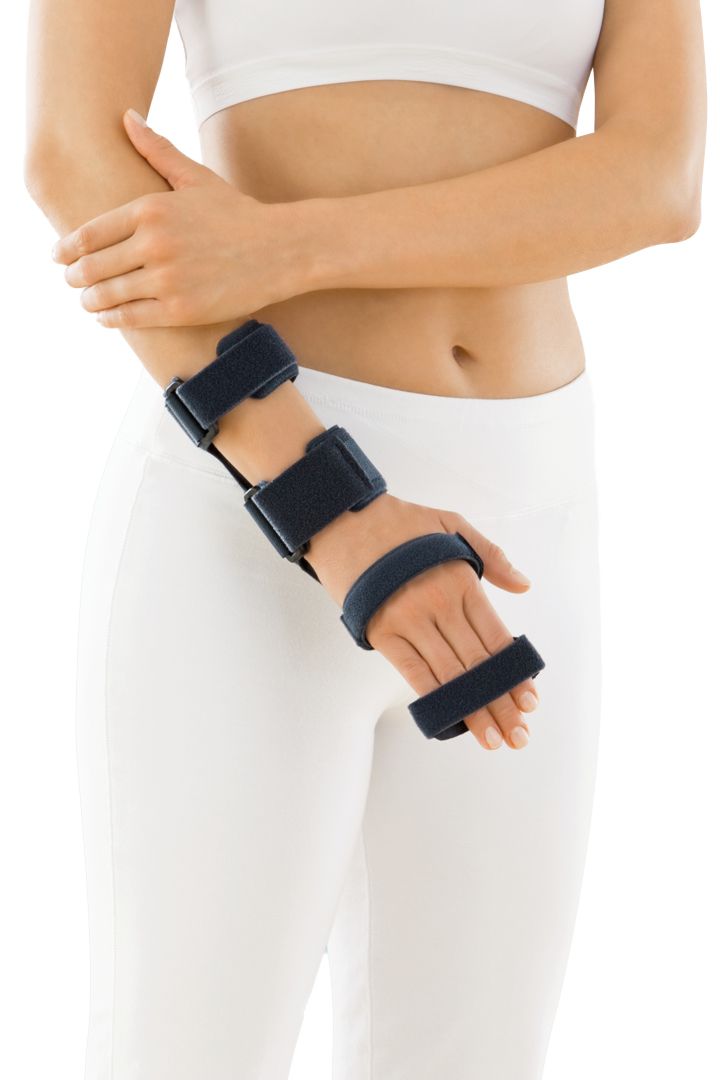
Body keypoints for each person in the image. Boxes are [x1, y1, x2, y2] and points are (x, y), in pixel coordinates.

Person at [24, 0, 706, 1077]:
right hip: (255, 497)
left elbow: (658, 179)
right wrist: (332, 511)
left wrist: (289, 244)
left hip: (528, 512)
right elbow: (74, 155)